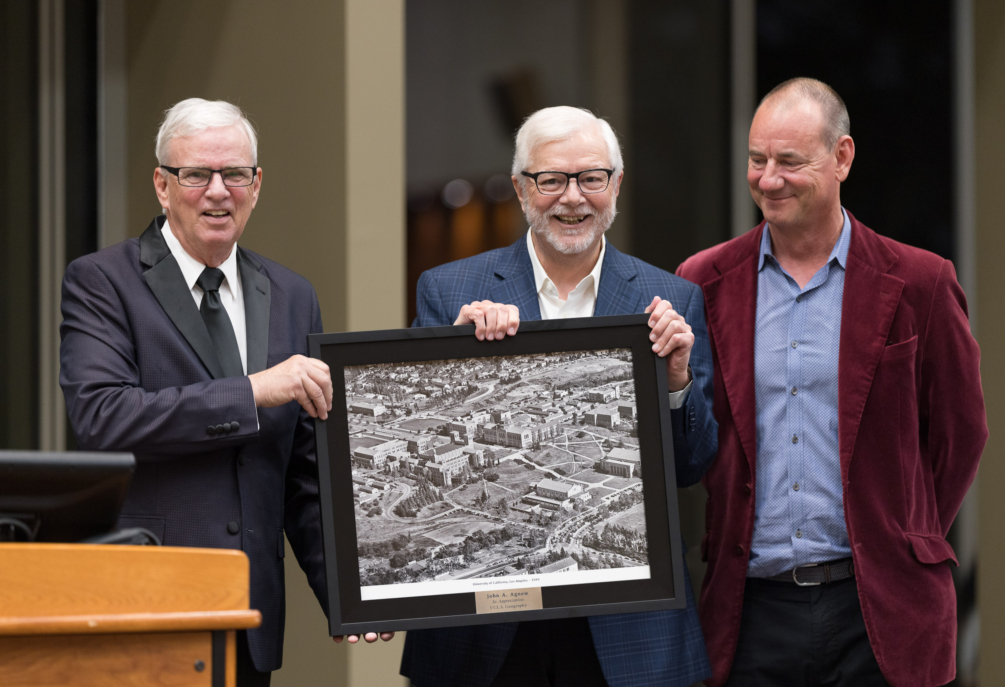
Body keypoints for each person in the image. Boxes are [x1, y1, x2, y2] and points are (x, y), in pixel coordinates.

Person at [59, 98, 387, 686]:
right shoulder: (102, 281)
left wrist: (349, 594)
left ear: (256, 185)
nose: (217, 191)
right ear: (162, 185)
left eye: (234, 174)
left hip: (248, 619)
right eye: (196, 175)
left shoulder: (292, 294)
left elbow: (305, 478)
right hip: (148, 610)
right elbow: (101, 418)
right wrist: (251, 393)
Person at [676, 78, 989, 686]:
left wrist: (901, 534)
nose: (768, 179)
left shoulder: (920, 283)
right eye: (757, 159)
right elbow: (689, 432)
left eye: (790, 161)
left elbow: (960, 434)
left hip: (881, 614)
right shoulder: (704, 281)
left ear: (842, 157)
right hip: (749, 613)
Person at [400, 106, 719, 687]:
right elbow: (424, 434)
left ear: (615, 186)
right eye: (551, 180)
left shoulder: (670, 298)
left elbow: (692, 465)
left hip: (626, 631)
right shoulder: (451, 292)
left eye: (591, 178)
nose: (572, 198)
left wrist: (676, 380)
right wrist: (456, 358)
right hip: (485, 635)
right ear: (522, 190)